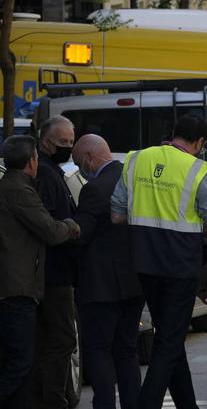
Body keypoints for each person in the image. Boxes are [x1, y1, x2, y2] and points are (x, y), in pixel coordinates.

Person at [111, 112, 207, 409]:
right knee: (169, 341)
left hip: (145, 263)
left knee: (169, 338)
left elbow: (117, 215)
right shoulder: (198, 169)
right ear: (200, 142)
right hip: (180, 266)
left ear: (174, 133)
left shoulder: (136, 159)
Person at [0, 135, 79, 409]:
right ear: (31, 162)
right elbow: (50, 230)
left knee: (21, 359)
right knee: (20, 362)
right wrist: (71, 225)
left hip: (17, 285)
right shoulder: (18, 190)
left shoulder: (12, 186)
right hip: (16, 288)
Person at [72, 134, 143, 409]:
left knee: (98, 349)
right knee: (127, 350)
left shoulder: (94, 188)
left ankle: (104, 404)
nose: (80, 169)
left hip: (101, 286)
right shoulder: (135, 180)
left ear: (89, 158)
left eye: (79, 163)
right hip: (134, 282)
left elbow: (81, 235)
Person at [31, 115, 79, 409]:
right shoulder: (47, 174)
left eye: (72, 142)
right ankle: (53, 399)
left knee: (53, 338)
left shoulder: (54, 171)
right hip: (54, 273)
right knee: (62, 339)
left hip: (54, 271)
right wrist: (71, 228)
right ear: (46, 142)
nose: (68, 147)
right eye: (63, 142)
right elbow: (50, 225)